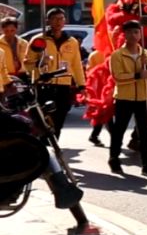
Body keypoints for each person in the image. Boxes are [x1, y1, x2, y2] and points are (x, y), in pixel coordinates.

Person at [24, 9, 86, 139]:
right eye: (55, 19)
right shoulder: (39, 40)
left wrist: (81, 85)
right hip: (44, 84)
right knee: (44, 118)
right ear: (48, 21)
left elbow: (76, 65)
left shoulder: (72, 42)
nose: (58, 22)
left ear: (65, 21)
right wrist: (39, 66)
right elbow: (27, 63)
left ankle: (54, 142)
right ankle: (44, 143)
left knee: (60, 116)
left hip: (63, 85)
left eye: (61, 18)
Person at [107, 21, 147, 177]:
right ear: (125, 35)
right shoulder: (117, 55)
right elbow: (117, 77)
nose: (133, 36)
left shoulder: (146, 54)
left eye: (136, 32)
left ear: (140, 34)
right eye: (130, 32)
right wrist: (136, 75)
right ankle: (114, 158)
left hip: (143, 97)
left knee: (144, 131)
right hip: (124, 98)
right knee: (119, 130)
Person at [1, 17, 27, 81]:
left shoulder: (24, 43)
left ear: (16, 29)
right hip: (5, 77)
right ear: (2, 30)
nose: (9, 34)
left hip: (23, 76)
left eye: (12, 30)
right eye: (6, 31)